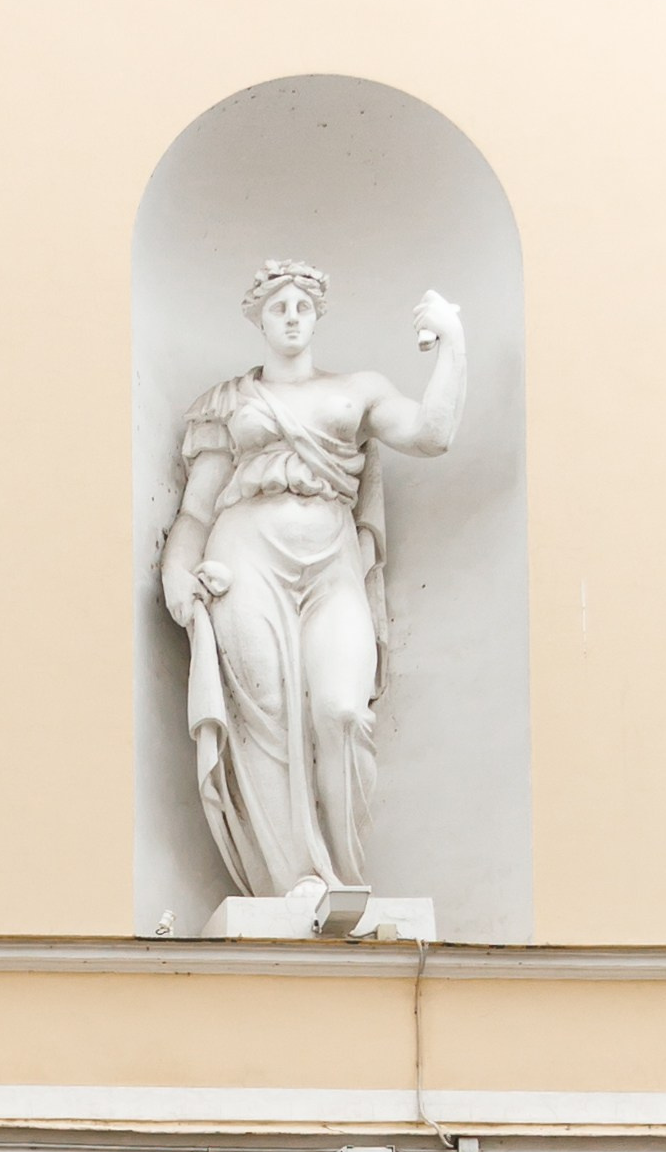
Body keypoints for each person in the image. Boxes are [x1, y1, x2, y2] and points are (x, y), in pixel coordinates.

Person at [160, 259, 465, 900]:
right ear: (259, 318)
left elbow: (433, 435)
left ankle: (346, 881)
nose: (292, 316)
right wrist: (176, 575)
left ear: (318, 315)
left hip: (331, 560)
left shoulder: (358, 390)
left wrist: (453, 342)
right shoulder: (232, 401)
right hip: (244, 557)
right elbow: (194, 508)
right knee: (265, 715)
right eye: (279, 307)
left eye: (302, 306)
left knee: (341, 709)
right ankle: (293, 877)